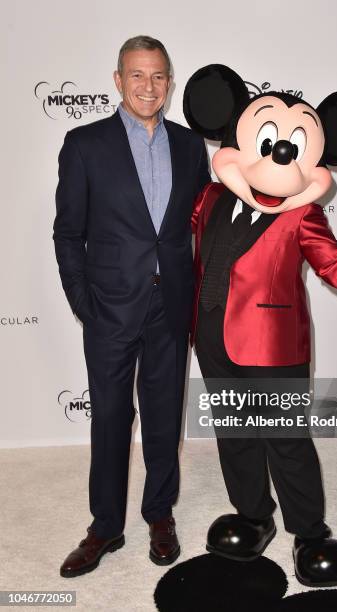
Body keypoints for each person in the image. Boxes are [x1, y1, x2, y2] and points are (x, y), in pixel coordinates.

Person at [54, 35, 210, 577]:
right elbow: (67, 232)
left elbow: (201, 228)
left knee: (165, 416)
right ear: (119, 80)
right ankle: (105, 526)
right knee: (112, 418)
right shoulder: (84, 144)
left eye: (159, 76)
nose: (149, 86)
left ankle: (159, 513)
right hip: (110, 308)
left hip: (171, 304)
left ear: (170, 82)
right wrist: (83, 301)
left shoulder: (192, 148)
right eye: (138, 75)